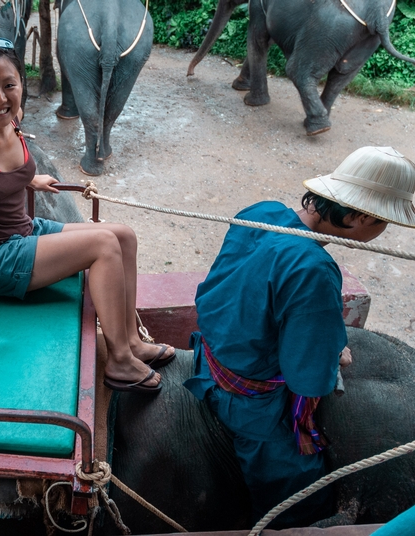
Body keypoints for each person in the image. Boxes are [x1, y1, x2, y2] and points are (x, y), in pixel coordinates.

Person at [0, 38, 175, 393]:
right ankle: (118, 360)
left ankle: (131, 341)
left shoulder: (12, 118)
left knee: (124, 236)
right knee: (103, 244)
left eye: (9, 85)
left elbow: (4, 169)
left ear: (21, 85)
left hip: (25, 231)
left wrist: (32, 178)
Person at [184, 146, 415, 527]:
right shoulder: (313, 268)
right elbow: (308, 378)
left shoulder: (262, 212)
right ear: (357, 217)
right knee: (297, 495)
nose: (382, 231)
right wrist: (331, 349)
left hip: (208, 352)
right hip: (247, 402)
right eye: (383, 222)